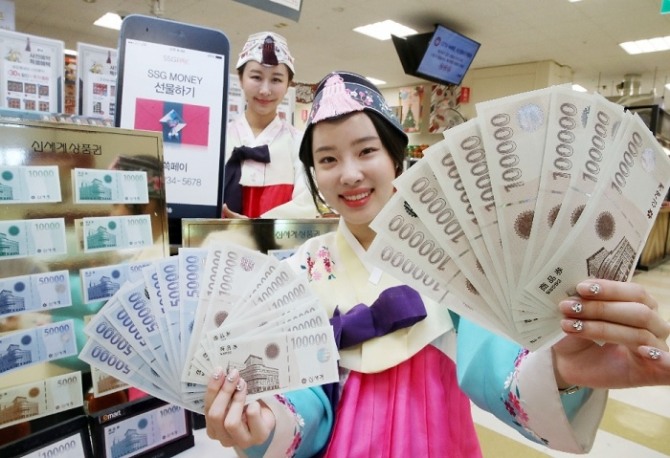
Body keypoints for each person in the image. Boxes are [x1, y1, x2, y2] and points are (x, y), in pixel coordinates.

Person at [204, 71, 670, 457]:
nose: (349, 173)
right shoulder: (300, 271)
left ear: (396, 158)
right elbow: (301, 397)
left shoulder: (462, 254)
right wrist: (263, 421)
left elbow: (497, 364)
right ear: (314, 175)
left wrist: (563, 370)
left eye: (366, 150)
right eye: (327, 159)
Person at [222, 31, 319, 219]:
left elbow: (306, 205)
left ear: (288, 84)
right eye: (256, 77)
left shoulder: (300, 143)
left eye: (276, 80)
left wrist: (256, 228)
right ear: (240, 79)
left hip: (279, 238)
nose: (265, 90)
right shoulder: (219, 138)